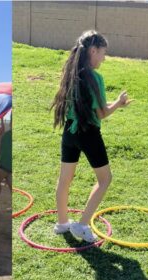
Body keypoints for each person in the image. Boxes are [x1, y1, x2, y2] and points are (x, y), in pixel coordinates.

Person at [51, 30, 132, 243]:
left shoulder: (70, 75)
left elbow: (89, 107)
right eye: (103, 53)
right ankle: (82, 224)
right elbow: (101, 113)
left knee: (64, 180)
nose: (104, 58)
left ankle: (62, 223)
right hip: (88, 133)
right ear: (93, 50)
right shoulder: (94, 78)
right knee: (105, 179)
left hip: (70, 132)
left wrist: (114, 103)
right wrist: (118, 103)